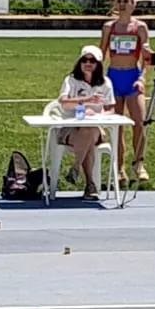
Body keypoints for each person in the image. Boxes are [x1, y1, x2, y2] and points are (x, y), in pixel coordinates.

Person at [99, 0, 151, 182]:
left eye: (125, 1)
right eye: (119, 1)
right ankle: (119, 167)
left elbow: (146, 57)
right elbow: (100, 55)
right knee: (117, 125)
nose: (122, 5)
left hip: (132, 78)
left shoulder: (140, 27)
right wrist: (98, 81)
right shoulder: (108, 28)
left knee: (139, 122)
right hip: (113, 78)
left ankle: (139, 163)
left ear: (133, 4)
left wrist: (142, 78)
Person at [55, 44, 116, 201]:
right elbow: (64, 103)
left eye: (92, 61)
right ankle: (90, 184)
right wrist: (86, 101)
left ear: (98, 64)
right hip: (70, 128)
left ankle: (76, 168)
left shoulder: (105, 83)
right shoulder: (71, 80)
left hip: (95, 128)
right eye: (84, 60)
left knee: (89, 130)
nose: (88, 64)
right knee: (87, 138)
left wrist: (100, 114)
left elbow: (111, 109)